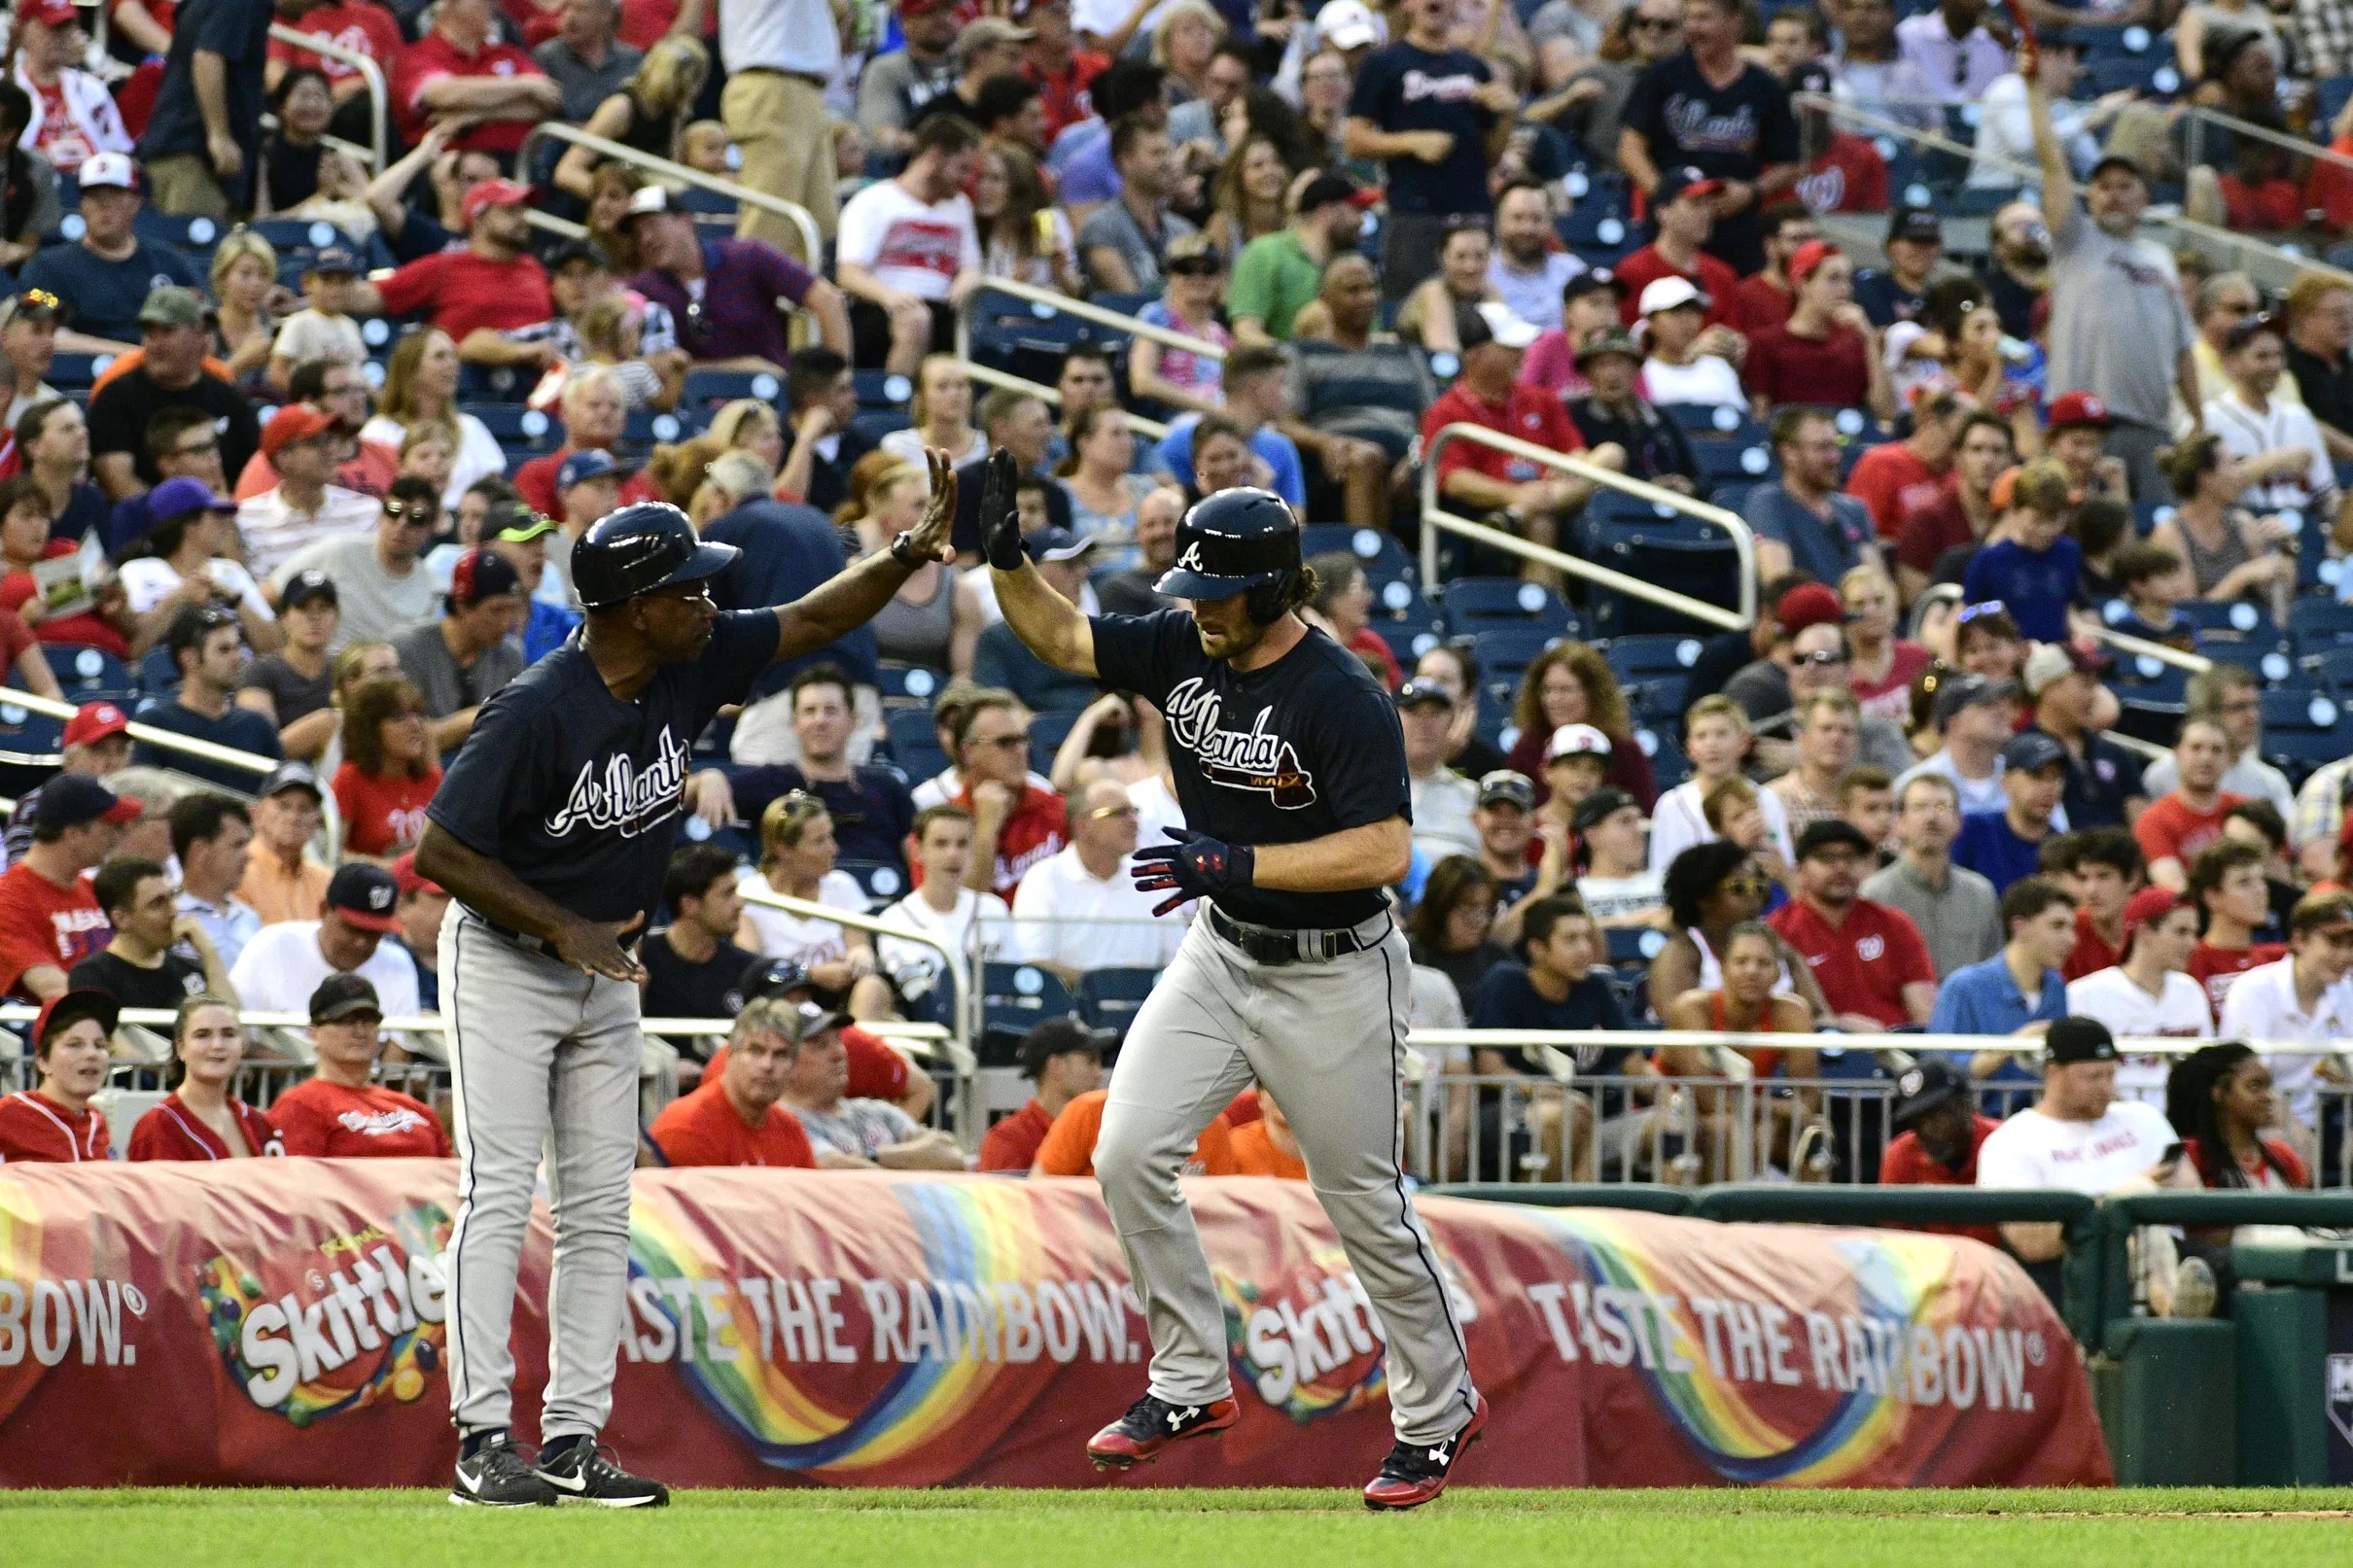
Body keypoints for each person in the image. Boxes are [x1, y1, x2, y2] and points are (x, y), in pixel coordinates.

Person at [410, 476, 955, 1506]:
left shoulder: (685, 661)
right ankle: (484, 1437)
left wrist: (905, 554)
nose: (709, 602)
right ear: (629, 606)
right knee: (496, 1192)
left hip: (604, 964)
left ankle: (570, 1436)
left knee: (599, 1210)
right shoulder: (535, 705)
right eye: (688, 589)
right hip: (507, 957)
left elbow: (813, 617)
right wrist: (560, 924)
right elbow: (441, 846)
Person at [974, 464, 1485, 1505]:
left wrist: (1240, 861)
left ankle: (1436, 1412)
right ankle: (1189, 1379)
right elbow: (1068, 640)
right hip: (1221, 951)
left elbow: (1385, 848)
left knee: (1362, 1204)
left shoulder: (1340, 694)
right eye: (1190, 589)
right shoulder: (1183, 641)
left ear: (1273, 590)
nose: (1195, 607)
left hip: (1335, 972)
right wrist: (1004, 562)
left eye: (1216, 592)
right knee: (1122, 1150)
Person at [2026, 43, 2197, 504]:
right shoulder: (2075, 241)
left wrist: (2198, 422)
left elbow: (2184, 349)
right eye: (2103, 188)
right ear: (2091, 197)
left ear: (2145, 195)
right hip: (2086, 429)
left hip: (2153, 426)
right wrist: (2034, 93)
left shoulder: (2160, 258)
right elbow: (2052, 164)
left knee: (2154, 541)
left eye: (2126, 187)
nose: (2114, 196)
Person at [1421, 302, 1614, 591]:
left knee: (1611, 454)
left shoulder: (1541, 399)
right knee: (1539, 522)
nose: (1523, 354)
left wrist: (1547, 489)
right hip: (1488, 515)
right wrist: (1517, 494)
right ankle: (1552, 626)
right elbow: (1455, 481)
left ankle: (1524, 511)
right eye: (1510, 347)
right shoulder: (1445, 411)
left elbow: (1576, 453)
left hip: (1555, 498)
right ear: (1476, 354)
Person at [1976, 1016, 2178, 1271]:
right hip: (2073, 1271)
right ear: (2053, 1073)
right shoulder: (2011, 1141)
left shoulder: (2143, 1118)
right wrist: (2120, 1200)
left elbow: (2194, 1198)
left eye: (2110, 1075)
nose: (2106, 1088)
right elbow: (2028, 1241)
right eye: (2093, 1078)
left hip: (2163, 1250)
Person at [1619, 0, 1799, 276]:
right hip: (1670, 235)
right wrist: (1669, 200)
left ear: (1734, 22)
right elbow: (1630, 149)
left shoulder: (1765, 87)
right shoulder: (1663, 77)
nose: (1693, 28)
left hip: (1736, 230)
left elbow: (1790, 164)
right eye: (1689, 19)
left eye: (1704, 18)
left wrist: (1751, 191)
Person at [1345, 0, 1507, 302]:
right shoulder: (1383, 63)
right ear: (1407, 5)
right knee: (1411, 310)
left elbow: (1491, 156)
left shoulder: (1473, 66)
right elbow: (1355, 140)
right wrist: (1412, 142)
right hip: (1414, 214)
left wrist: (1507, 115)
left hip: (1473, 212)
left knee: (1479, 315)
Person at [1471, 898, 1641, 1182]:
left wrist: (1674, 1099)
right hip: (1511, 1116)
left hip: (1593, 1120)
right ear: (1537, 948)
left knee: (1672, 1124)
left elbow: (1634, 1065)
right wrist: (1554, 1094)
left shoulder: (1596, 987)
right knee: (1562, 1116)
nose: (1585, 949)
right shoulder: (1506, 982)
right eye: (1571, 940)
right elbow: (1491, 1069)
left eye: (1587, 938)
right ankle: (1541, 1218)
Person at [624, 185, 849, 372]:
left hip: (770, 397)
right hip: (692, 405)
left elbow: (827, 299)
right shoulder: (644, 289)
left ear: (685, 222)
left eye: (652, 226)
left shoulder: (747, 257)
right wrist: (742, 366)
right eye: (637, 234)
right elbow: (644, 365)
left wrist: (833, 384)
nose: (646, 239)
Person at [835, 114, 985, 378]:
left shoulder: (959, 206)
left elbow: (971, 266)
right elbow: (848, 273)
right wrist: (889, 296)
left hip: (944, 310)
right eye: (961, 168)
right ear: (935, 157)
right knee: (916, 319)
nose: (965, 180)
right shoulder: (874, 201)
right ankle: (895, 404)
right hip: (881, 310)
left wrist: (967, 280)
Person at [1765, 815, 1938, 1032]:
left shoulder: (1895, 923)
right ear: (1799, 871)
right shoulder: (1777, 931)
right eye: (1826, 858)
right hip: (1822, 1055)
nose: (1841, 867)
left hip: (1897, 1052)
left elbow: (1924, 1013)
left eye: (1850, 857)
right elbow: (1772, 1014)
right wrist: (1838, 1026)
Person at [85, 288, 262, 501]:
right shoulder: (116, 397)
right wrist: (173, 518)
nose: (155, 344)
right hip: (146, 523)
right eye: (150, 333)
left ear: (199, 336)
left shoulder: (230, 399)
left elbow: (253, 474)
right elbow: (118, 481)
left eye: (167, 332)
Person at [16, 154, 201, 350]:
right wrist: (135, 356)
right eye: (94, 197)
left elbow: (202, 325)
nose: (104, 206)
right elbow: (52, 335)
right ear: (82, 205)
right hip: (78, 373)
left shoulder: (169, 263)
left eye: (115, 196)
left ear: (136, 203)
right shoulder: (47, 268)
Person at [1011, 777, 1188, 978]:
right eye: (1119, 813)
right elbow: (1034, 963)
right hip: (1069, 1006)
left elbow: (1178, 962)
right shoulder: (1043, 879)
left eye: (1134, 811)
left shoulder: (1153, 879)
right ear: (1082, 825)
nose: (1134, 821)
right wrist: (1104, 988)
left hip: (1145, 1006)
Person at [734, 790, 887, 1011]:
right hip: (781, 1002)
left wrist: (860, 958)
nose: (834, 849)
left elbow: (859, 946)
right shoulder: (751, 895)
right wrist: (812, 975)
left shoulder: (841, 886)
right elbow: (752, 973)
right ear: (783, 849)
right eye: (819, 841)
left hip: (841, 1002)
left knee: (871, 987)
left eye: (831, 836)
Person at [2217, 891, 2353, 1135]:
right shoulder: (2254, 991)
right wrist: (2294, 1128)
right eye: (2334, 943)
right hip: (2259, 1121)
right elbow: (2247, 1080)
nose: (2346, 956)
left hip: (2329, 1118)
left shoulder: (2346, 992)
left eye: (2352, 945)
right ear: (2300, 940)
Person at [269, 974, 452, 1156]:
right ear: (313, 1034)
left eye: (368, 1020)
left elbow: (452, 1171)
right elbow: (295, 1178)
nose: (359, 1031)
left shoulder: (413, 1107)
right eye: (345, 1021)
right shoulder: (301, 1105)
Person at [774, 1003, 964, 1168]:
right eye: (821, 1046)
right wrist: (910, 1159)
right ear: (787, 1061)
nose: (839, 1053)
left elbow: (952, 1156)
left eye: (838, 1040)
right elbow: (832, 1168)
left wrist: (873, 1156)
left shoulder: (877, 1111)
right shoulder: (783, 1122)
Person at [0, 776, 138, 1001]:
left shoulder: (93, 889)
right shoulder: (9, 900)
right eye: (110, 826)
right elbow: (54, 991)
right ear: (73, 834)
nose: (117, 836)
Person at [227, 861, 421, 1015]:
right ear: (324, 910)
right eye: (352, 928)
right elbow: (237, 1030)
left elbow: (396, 1059)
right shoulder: (271, 946)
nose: (362, 942)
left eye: (374, 932)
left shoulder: (397, 963)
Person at [645, 999, 822, 1168]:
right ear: (730, 1055)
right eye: (756, 1051)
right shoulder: (687, 1126)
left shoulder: (789, 1128)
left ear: (794, 1066)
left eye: (781, 1055)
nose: (767, 1065)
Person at [130, 605, 284, 793]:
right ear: (189, 659)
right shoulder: (153, 726)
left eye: (237, 648)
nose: (237, 658)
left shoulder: (258, 726)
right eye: (224, 650)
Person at [392, 546, 526, 755]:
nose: (507, 622)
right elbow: (400, 741)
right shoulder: (409, 648)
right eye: (496, 610)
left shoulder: (510, 654)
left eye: (512, 609)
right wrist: (474, 718)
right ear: (462, 605)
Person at [1743, 241, 1896, 423]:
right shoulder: (1765, 343)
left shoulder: (1854, 344)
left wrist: (1870, 339)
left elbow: (1886, 413)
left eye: (1848, 280)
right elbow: (1760, 415)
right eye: (1833, 278)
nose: (1845, 290)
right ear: (1802, 284)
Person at [388, 0, 562, 158]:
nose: (494, 6)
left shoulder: (508, 53)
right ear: (450, 4)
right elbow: (445, 95)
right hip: (450, 161)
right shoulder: (416, 57)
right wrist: (523, 85)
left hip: (518, 160)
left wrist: (475, 114)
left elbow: (547, 99)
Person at [1648, 694, 1795, 875]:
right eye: (1701, 736)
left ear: (1744, 742)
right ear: (1689, 749)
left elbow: (1784, 865)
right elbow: (1662, 874)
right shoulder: (1671, 804)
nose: (1711, 745)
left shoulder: (1766, 799)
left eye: (1721, 734)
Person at [125, 993, 281, 1160]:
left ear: (242, 1046)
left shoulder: (257, 1122)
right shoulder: (157, 1126)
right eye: (202, 1035)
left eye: (228, 1034)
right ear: (180, 1048)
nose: (217, 1045)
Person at [67, 854, 232, 1010]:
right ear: (121, 918)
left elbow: (234, 1028)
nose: (174, 911)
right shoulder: (92, 976)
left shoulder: (188, 969)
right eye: (158, 903)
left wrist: (209, 953)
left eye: (172, 897)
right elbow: (109, 1038)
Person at [1926, 874, 2076, 1040]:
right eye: (2057, 926)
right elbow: (1939, 1061)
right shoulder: (1964, 987)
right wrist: (2011, 1046)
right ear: (2020, 928)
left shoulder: (2056, 986)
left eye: (2071, 928)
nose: (2071, 940)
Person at [1747, 408, 1881, 590]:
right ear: (1789, 453)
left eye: (1836, 445)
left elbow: (1880, 586)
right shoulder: (1769, 503)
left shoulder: (1854, 509)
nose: (1834, 457)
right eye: (1822, 448)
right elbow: (1779, 587)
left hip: (1863, 614)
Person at [2067, 885, 2214, 1048]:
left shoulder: (2190, 991)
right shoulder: (2086, 995)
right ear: (2143, 932)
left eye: (2194, 933)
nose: (2192, 944)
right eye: (2181, 932)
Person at [1877, 1058, 2003, 1244]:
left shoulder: (2002, 1143)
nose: (1927, 1129)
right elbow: (1893, 1239)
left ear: (1965, 1105)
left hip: (1998, 1267)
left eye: (1937, 1115)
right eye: (1917, 1121)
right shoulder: (1902, 1154)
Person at [1230, 172, 1365, 346]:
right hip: (1282, 369)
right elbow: (1246, 332)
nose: (1361, 221)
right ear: (1326, 212)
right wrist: (1295, 359)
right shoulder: (1264, 253)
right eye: (1356, 210)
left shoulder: (1350, 264)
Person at [639, 845, 757, 1024]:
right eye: (728, 894)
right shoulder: (642, 959)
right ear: (689, 904)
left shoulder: (747, 969)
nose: (739, 903)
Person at [2167, 1041, 2308, 1191]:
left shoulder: (2283, 1157)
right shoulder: (2191, 1157)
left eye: (2268, 1086)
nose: (2269, 1097)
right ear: (2219, 1093)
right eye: (2254, 1086)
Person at [1611, 167, 1740, 329]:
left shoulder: (1723, 276)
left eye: (1709, 205)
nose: (1706, 213)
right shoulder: (1633, 272)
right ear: (1663, 212)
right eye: (1695, 204)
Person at [977, 1019, 1109, 1172]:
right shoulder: (1009, 1139)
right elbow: (1003, 1196)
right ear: (1055, 1066)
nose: (1099, 1074)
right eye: (1090, 1061)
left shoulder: (1102, 1128)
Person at [333, 676, 440, 861]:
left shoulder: (432, 778)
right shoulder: (350, 778)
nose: (415, 724)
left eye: (418, 714)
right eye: (398, 717)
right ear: (370, 729)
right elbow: (332, 854)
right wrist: (388, 867)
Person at [0, 989, 117, 1161]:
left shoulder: (96, 1122)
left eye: (100, 1045)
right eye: (75, 1044)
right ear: (43, 1061)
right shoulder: (8, 1115)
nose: (91, 1054)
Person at [1952, 731, 2070, 894]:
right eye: (2036, 776)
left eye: (2056, 777)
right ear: (2006, 782)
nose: (2049, 788)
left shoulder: (2063, 849)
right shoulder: (1973, 830)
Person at [2136, 717, 2244, 891]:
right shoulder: (2153, 821)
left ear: (2229, 758)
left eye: (2216, 750)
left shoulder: (2246, 811)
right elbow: (2173, 889)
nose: (2206, 758)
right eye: (2196, 748)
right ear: (2177, 753)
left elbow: (2278, 875)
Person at [170, 793, 260, 974]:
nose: (248, 856)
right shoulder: (168, 918)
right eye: (237, 845)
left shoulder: (250, 918)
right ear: (199, 851)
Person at [235, 761, 333, 925]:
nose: (294, 818)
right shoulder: (237, 872)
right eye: (284, 806)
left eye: (304, 809)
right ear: (256, 814)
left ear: (317, 822)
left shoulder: (327, 881)